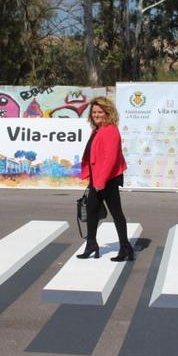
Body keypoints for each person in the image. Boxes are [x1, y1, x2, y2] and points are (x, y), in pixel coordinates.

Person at [76, 96, 133, 262]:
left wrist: (101, 180)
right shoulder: (98, 130)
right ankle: (91, 244)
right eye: (94, 112)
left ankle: (125, 247)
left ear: (108, 113)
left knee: (116, 212)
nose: (96, 114)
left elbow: (111, 158)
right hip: (97, 178)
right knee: (92, 210)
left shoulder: (110, 130)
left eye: (100, 111)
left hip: (108, 179)